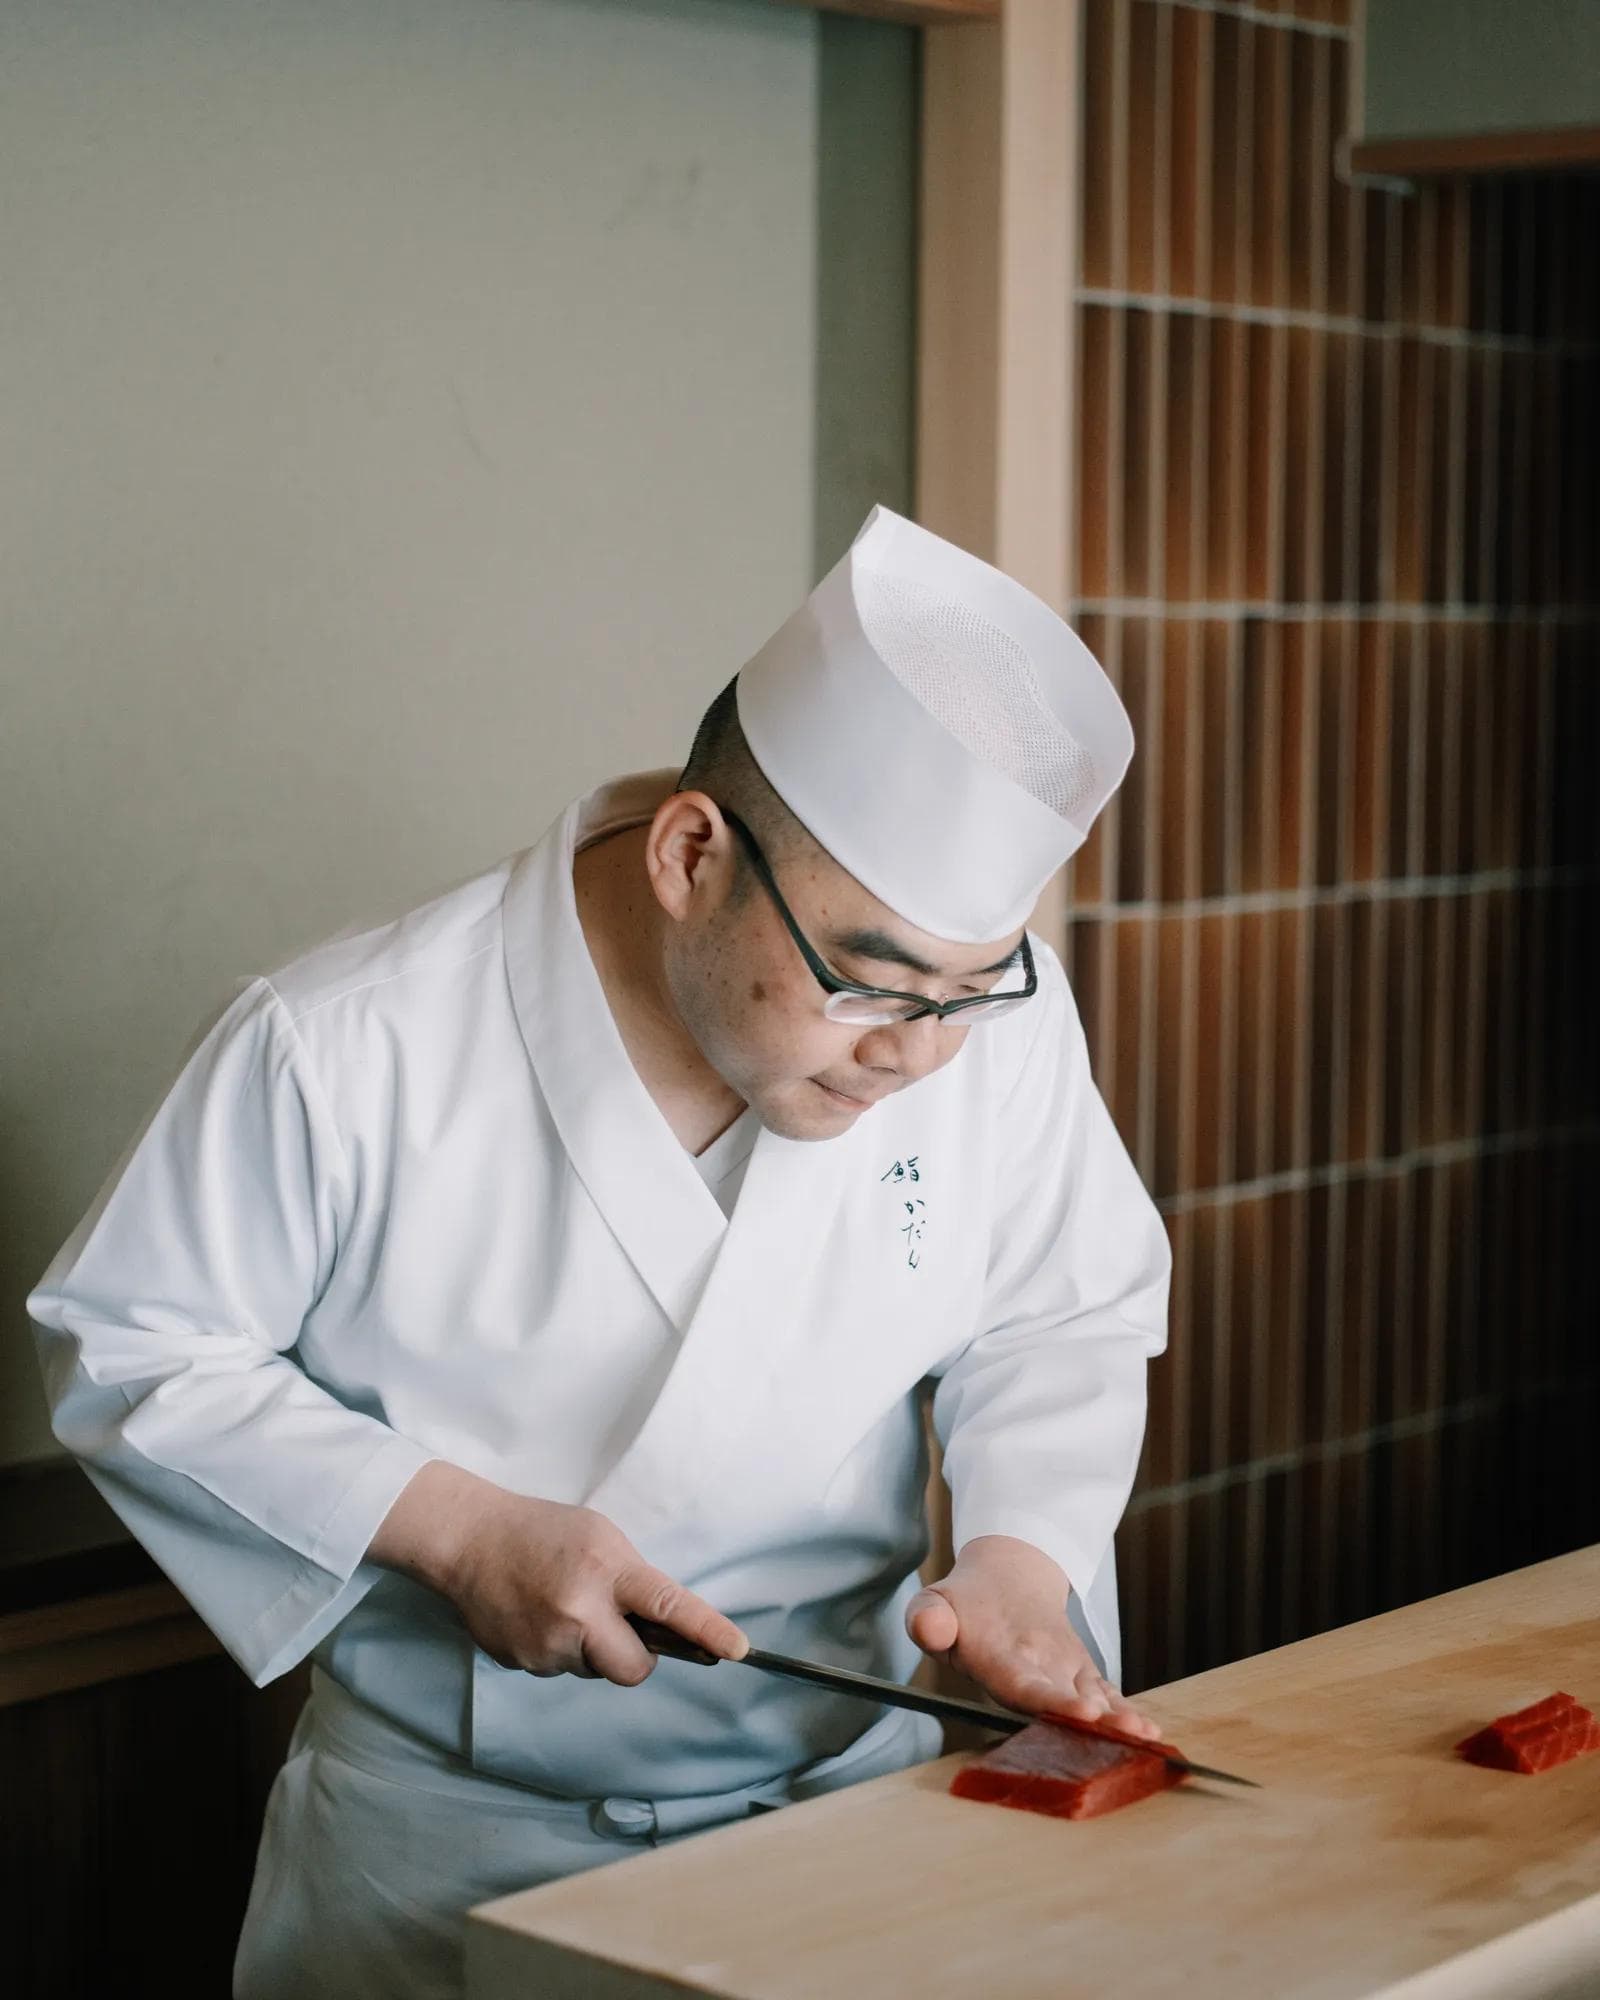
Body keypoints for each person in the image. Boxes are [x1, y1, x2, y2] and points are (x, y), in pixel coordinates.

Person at [28, 505, 1171, 1999]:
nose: (917, 1055)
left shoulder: (977, 1028)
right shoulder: (347, 1044)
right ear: (693, 856)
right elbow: (132, 1343)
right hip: (445, 1867)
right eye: (870, 981)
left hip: (859, 1822)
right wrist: (449, 1527)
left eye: (967, 991)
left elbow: (1061, 1309)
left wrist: (1024, 1555)